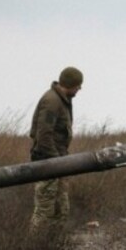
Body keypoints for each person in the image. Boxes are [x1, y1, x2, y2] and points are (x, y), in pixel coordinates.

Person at [29, 66, 83, 235]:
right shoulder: (52, 101)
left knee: (61, 210)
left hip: (58, 163)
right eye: (78, 86)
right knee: (45, 211)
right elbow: (43, 134)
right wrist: (55, 161)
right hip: (48, 164)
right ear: (70, 84)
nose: (79, 89)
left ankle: (52, 247)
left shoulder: (62, 100)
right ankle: (34, 249)